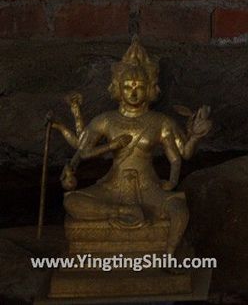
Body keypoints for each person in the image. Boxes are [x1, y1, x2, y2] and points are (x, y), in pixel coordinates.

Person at [57, 38, 212, 256]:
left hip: (149, 188)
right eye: (128, 86)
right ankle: (121, 212)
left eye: (139, 86)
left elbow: (181, 155)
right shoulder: (106, 120)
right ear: (118, 88)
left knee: (179, 212)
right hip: (113, 188)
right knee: (72, 202)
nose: (133, 92)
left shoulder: (160, 122)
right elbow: (82, 148)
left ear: (150, 88)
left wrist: (193, 138)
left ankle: (167, 255)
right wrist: (70, 169)